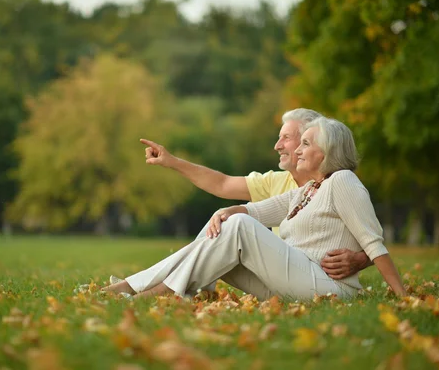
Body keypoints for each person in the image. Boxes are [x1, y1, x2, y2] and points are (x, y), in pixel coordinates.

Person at [104, 117, 406, 300]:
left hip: (329, 288)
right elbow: (256, 212)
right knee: (228, 225)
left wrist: (402, 295)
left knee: (236, 227)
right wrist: (226, 212)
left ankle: (153, 292)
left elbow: (372, 241)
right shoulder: (306, 191)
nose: (296, 150)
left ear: (329, 151)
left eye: (305, 144)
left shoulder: (342, 181)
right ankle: (138, 287)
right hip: (294, 284)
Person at [140, 108, 371, 280]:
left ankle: (150, 285)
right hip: (280, 273)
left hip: (308, 278)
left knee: (234, 224)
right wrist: (171, 162)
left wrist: (360, 260)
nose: (277, 145)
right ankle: (153, 284)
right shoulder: (275, 182)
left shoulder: (338, 184)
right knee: (221, 222)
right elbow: (222, 184)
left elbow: (372, 238)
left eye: (286, 138)